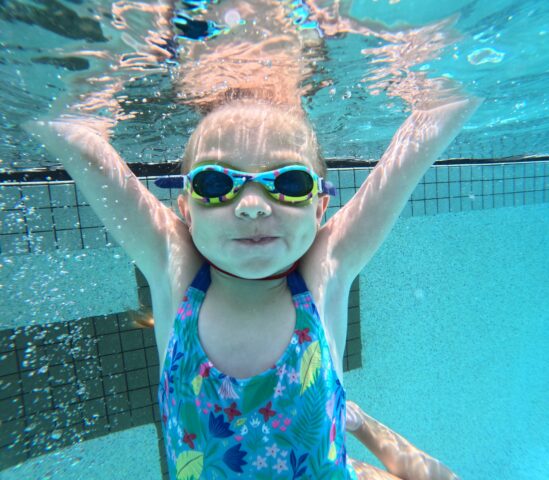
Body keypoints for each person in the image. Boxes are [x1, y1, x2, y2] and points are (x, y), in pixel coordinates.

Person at [25, 1, 481, 478]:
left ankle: (359, 423)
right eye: (216, 185)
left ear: (320, 207)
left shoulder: (324, 272)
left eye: (288, 183)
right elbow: (73, 140)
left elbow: (429, 132)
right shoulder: (175, 269)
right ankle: (355, 421)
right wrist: (129, 26)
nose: (252, 205)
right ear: (186, 209)